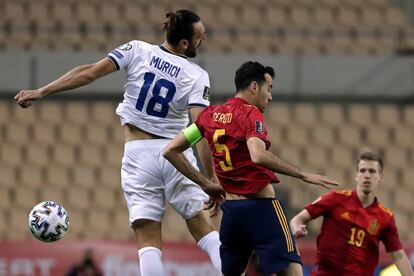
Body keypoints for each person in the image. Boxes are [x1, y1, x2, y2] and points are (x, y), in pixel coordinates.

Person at [14, 10, 224, 276]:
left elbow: (89, 72)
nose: (202, 40)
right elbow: (200, 129)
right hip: (176, 154)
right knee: (203, 229)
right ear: (184, 43)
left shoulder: (137, 49)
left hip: (138, 154)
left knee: (148, 239)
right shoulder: (197, 75)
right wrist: (209, 179)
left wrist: (41, 91)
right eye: (200, 37)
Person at [163, 61, 339, 275]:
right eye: (269, 88)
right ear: (254, 87)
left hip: (232, 214)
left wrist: (206, 184)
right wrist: (302, 174)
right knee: (292, 271)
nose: (270, 96)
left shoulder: (209, 116)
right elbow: (257, 154)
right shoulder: (250, 113)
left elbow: (170, 150)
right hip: (262, 209)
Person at [290, 150, 414, 276]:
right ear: (356, 175)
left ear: (380, 177)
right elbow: (297, 219)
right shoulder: (335, 199)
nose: (367, 175)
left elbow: (399, 256)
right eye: (362, 170)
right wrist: (297, 228)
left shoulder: (385, 217)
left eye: (372, 171)